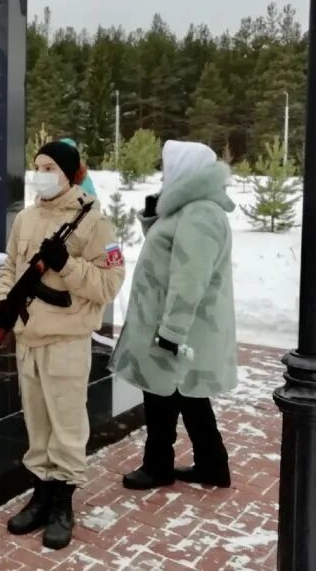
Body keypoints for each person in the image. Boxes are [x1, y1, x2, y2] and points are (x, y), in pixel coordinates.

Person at [0, 140, 125, 550]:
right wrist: (1, 304)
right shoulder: (26, 219)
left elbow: (109, 285)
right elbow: (10, 267)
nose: (40, 174)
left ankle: (63, 503)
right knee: (37, 424)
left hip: (67, 340)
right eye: (37, 166)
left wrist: (67, 265)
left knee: (67, 426)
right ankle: (41, 494)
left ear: (68, 173)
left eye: (49, 167)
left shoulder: (95, 223)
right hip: (29, 338)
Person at [109, 140, 237, 491]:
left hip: (181, 329)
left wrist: (173, 331)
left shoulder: (200, 213)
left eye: (169, 167)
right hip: (178, 326)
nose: (164, 173)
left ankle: (158, 466)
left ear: (185, 170)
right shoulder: (192, 209)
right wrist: (155, 217)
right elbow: (171, 254)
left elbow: (189, 277)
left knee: (162, 396)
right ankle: (212, 465)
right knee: (189, 398)